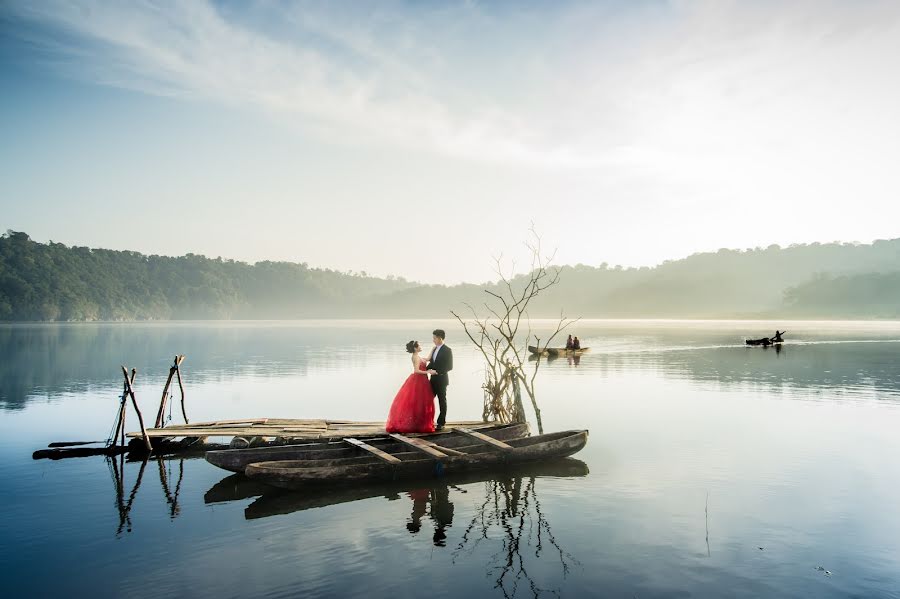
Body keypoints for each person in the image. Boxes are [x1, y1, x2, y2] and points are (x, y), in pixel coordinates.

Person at [385, 340, 436, 433]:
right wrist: (429, 372)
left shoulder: (418, 356)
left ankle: (419, 422)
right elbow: (416, 370)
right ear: (416, 348)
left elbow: (427, 359)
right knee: (417, 402)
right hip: (419, 381)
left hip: (422, 380)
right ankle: (416, 423)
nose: (420, 346)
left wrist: (433, 349)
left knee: (420, 402)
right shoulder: (415, 357)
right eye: (419, 345)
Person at [428, 329, 453, 431]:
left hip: (442, 380)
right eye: (433, 338)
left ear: (440, 338)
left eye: (434, 338)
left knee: (442, 401)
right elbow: (432, 363)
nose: (433, 340)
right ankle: (427, 420)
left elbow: (450, 366)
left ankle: (441, 423)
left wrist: (437, 372)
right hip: (432, 380)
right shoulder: (434, 349)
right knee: (428, 400)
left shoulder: (447, 350)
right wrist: (423, 370)